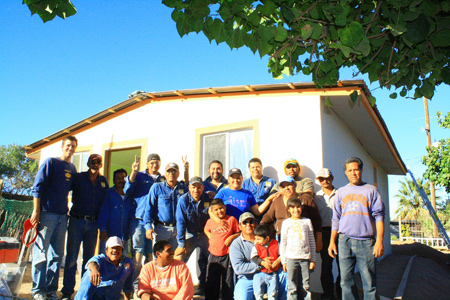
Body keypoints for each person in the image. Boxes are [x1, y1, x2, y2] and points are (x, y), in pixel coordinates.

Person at [328, 157, 385, 300]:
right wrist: (332, 242)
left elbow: (379, 217)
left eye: (356, 169)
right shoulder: (340, 192)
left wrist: (379, 241)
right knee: (345, 281)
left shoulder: (371, 190)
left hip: (365, 242)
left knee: (369, 282)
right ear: (345, 173)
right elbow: (336, 218)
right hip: (344, 240)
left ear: (361, 170)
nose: (353, 173)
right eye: (350, 170)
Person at [30, 135, 78, 300]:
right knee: (41, 253)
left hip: (62, 216)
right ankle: (38, 290)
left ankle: (50, 290)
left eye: (73, 146)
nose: (70, 148)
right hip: (46, 214)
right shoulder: (50, 163)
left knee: (57, 256)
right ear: (62, 146)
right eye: (68, 145)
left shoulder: (72, 168)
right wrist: (36, 211)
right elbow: (37, 188)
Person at [61, 154, 109, 300]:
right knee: (71, 257)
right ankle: (67, 292)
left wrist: (103, 227)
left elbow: (104, 205)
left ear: (101, 165)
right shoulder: (78, 177)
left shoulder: (103, 181)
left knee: (89, 259)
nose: (96, 164)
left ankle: (84, 291)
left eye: (98, 162)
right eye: (93, 162)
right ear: (88, 163)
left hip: (93, 224)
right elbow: (64, 190)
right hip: (77, 221)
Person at [125, 154, 164, 272]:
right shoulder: (139, 176)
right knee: (138, 251)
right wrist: (133, 172)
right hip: (139, 219)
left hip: (155, 222)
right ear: (147, 164)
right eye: (152, 163)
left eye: (157, 162)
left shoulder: (162, 179)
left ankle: (147, 282)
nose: (154, 165)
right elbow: (127, 189)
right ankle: (134, 285)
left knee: (150, 253)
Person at [174, 176, 211, 296]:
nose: (196, 190)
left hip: (205, 235)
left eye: (199, 187)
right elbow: (180, 223)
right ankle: (178, 288)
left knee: (213, 259)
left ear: (203, 188)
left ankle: (207, 287)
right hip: (190, 234)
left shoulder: (208, 199)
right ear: (189, 187)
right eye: (193, 187)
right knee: (179, 258)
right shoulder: (183, 200)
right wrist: (181, 244)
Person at [144, 163, 189, 249]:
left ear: (178, 173)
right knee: (161, 257)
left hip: (178, 229)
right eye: (169, 171)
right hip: (161, 228)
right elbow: (149, 207)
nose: (171, 173)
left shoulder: (183, 188)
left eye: (174, 171)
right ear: (165, 174)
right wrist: (148, 227)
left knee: (175, 257)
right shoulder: (157, 187)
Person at [204, 198, 241, 300]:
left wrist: (231, 237)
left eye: (221, 208)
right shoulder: (210, 221)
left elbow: (239, 233)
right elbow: (206, 229)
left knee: (227, 280)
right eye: (216, 210)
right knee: (212, 280)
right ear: (212, 211)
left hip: (227, 255)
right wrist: (209, 236)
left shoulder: (231, 219)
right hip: (213, 255)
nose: (219, 211)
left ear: (225, 207)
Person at [280, 197, 316, 300]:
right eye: (293, 207)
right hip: (291, 258)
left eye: (298, 207)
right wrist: (284, 261)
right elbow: (283, 242)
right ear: (288, 209)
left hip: (305, 258)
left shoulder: (307, 221)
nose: (296, 210)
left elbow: (312, 241)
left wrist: (313, 259)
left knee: (306, 285)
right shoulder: (286, 222)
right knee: (292, 285)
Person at [315, 168, 341, 300]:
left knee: (343, 266)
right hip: (324, 233)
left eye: (327, 178)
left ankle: (342, 294)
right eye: (321, 179)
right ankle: (328, 295)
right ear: (318, 181)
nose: (325, 181)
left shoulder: (341, 194)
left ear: (332, 178)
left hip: (341, 234)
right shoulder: (316, 197)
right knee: (326, 266)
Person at [97, 169, 133, 253]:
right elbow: (103, 212)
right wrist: (102, 230)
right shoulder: (109, 193)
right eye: (118, 178)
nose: (121, 180)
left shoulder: (130, 195)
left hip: (124, 236)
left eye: (123, 178)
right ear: (114, 181)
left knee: (122, 261)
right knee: (105, 260)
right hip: (109, 235)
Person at [229, 212, 260, 300]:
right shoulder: (236, 244)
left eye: (251, 222)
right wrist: (261, 264)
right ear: (239, 226)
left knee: (284, 277)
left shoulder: (265, 239)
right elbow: (238, 268)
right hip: (247, 280)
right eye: (245, 222)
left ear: (256, 224)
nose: (248, 224)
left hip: (266, 275)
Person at [250, 224, 281, 300]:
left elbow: (282, 255)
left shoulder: (276, 244)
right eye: (256, 239)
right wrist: (263, 262)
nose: (257, 241)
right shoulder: (256, 246)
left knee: (273, 293)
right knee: (258, 293)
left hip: (272, 273)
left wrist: (277, 262)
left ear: (267, 238)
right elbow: (253, 257)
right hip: (260, 273)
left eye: (259, 239)